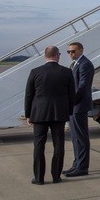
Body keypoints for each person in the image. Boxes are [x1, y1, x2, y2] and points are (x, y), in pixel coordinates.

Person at [23, 45, 76, 185]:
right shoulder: (66, 72)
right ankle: (56, 176)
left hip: (39, 113)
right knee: (58, 144)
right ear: (58, 55)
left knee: (39, 145)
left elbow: (29, 95)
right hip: (59, 114)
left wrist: (28, 114)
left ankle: (39, 177)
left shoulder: (35, 72)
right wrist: (68, 112)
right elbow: (72, 95)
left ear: (45, 56)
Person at [64, 41, 95, 178]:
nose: (71, 54)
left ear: (81, 51)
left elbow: (82, 86)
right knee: (75, 137)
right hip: (74, 106)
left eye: (73, 51)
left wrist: (72, 101)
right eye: (69, 52)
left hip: (79, 105)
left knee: (81, 137)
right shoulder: (76, 64)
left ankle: (82, 167)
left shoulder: (85, 64)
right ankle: (76, 164)